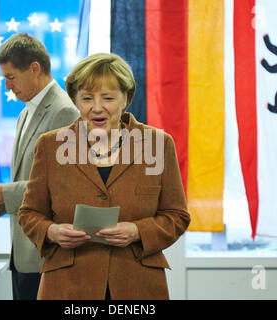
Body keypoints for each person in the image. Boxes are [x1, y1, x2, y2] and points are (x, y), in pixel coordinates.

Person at [18, 52, 191, 300]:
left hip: (137, 286)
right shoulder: (50, 145)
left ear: (125, 99)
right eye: (87, 98)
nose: (97, 108)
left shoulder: (157, 144)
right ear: (76, 101)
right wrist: (51, 232)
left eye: (108, 98)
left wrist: (137, 231)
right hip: (67, 287)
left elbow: (177, 216)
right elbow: (29, 213)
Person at [0, 33, 79, 300]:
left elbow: (63, 187)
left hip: (47, 257)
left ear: (35, 68)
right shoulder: (25, 111)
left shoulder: (64, 112)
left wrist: (5, 194)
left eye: (11, 77)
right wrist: (0, 201)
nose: (6, 86)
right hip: (25, 255)